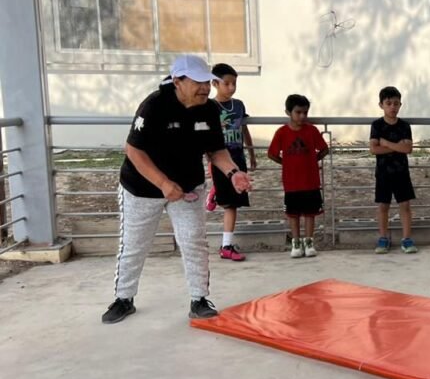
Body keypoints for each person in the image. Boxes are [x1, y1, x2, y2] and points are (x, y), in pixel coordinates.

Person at [101, 55, 253, 324]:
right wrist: (162, 183)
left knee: (194, 241)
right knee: (134, 245)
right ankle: (124, 298)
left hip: (187, 187)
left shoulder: (209, 110)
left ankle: (199, 299)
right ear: (177, 81)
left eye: (207, 82)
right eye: (198, 82)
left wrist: (233, 173)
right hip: (142, 188)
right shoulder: (154, 106)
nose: (205, 88)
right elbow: (134, 150)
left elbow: (216, 150)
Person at [267, 94, 328, 259]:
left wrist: (313, 160)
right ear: (288, 112)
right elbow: (271, 154)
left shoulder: (312, 130)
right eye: (298, 112)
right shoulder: (281, 132)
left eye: (305, 113)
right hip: (291, 182)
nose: (302, 116)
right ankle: (296, 243)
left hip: (311, 181)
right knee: (293, 214)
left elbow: (324, 149)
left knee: (310, 213)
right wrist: (285, 163)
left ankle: (309, 242)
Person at [207, 63, 256, 262]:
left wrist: (251, 153)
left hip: (238, 159)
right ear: (214, 83)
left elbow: (244, 130)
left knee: (234, 203)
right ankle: (226, 245)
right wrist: (209, 159)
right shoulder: (209, 106)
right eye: (226, 83)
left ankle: (226, 244)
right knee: (229, 203)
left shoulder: (239, 105)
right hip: (219, 160)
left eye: (234, 83)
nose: (231, 87)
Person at [369, 86, 417, 254]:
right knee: (383, 206)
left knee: (405, 205)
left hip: (401, 172)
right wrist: (397, 146)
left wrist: (386, 143)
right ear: (381, 105)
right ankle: (383, 238)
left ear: (400, 105)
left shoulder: (404, 126)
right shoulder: (376, 125)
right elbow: (374, 149)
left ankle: (407, 239)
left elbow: (408, 148)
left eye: (396, 103)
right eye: (388, 103)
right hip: (383, 173)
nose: (392, 107)